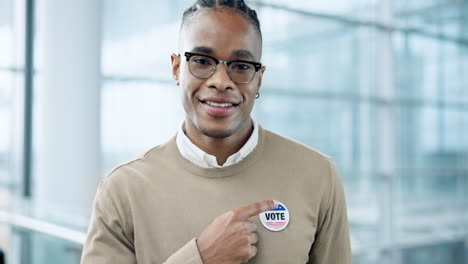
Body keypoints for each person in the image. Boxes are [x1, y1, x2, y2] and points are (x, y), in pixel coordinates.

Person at [80, 0, 352, 263]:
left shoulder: (317, 175)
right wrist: (201, 259)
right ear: (177, 69)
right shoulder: (123, 190)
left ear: (259, 78)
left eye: (241, 66)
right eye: (202, 61)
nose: (221, 82)